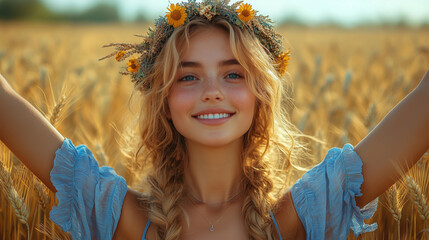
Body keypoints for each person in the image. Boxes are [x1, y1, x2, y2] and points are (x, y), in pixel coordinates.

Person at [0, 0, 428, 239]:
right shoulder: (126, 217)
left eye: (233, 73)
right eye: (188, 75)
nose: (212, 90)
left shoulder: (299, 215)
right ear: (163, 98)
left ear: (261, 93)